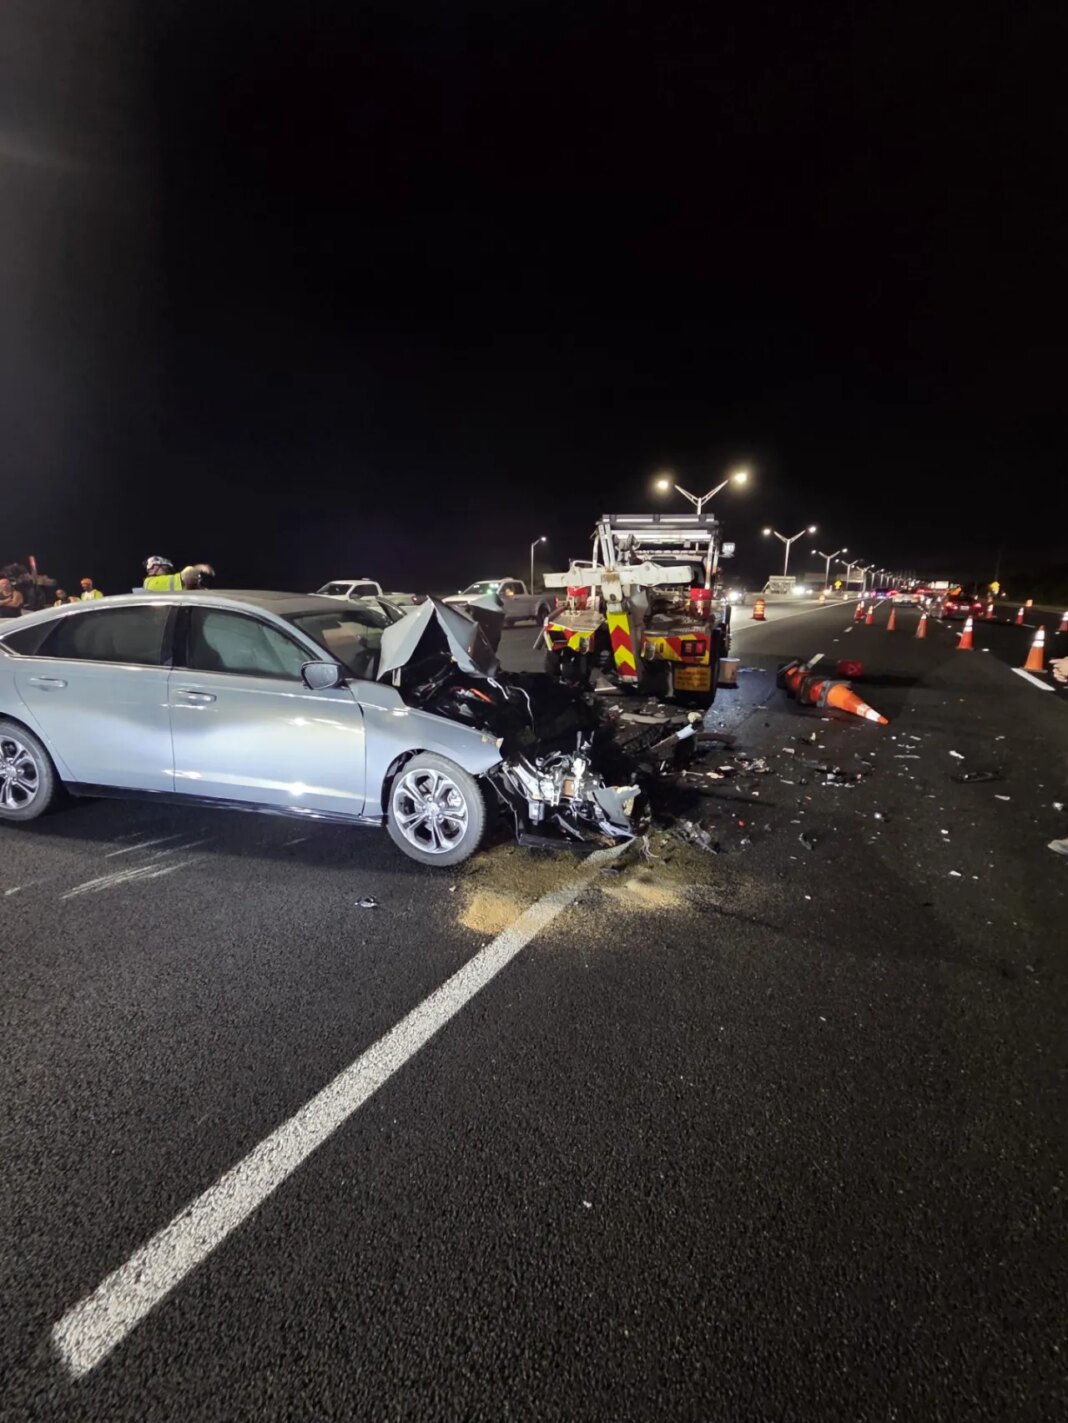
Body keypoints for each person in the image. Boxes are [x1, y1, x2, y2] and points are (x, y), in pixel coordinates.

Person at [142, 556, 214, 592]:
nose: (168, 572)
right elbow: (186, 577)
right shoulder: (150, 582)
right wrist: (199, 568)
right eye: (166, 568)